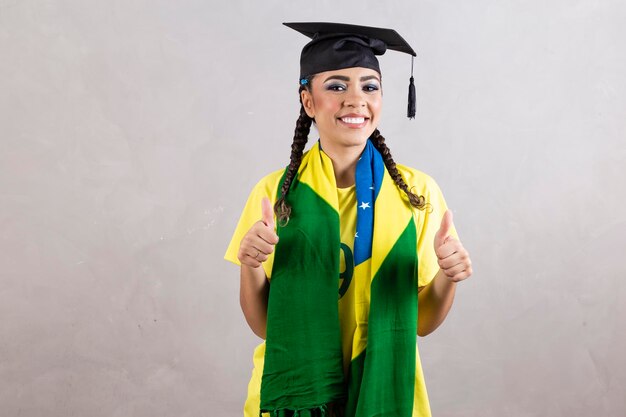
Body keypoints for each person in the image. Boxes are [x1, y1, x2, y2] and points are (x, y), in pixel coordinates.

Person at [224, 22, 473, 417]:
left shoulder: (415, 193)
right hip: (293, 394)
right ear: (308, 101)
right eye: (337, 86)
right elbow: (263, 326)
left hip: (387, 390)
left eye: (369, 86)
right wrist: (250, 265)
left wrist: (447, 275)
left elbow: (421, 323)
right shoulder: (275, 195)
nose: (356, 100)